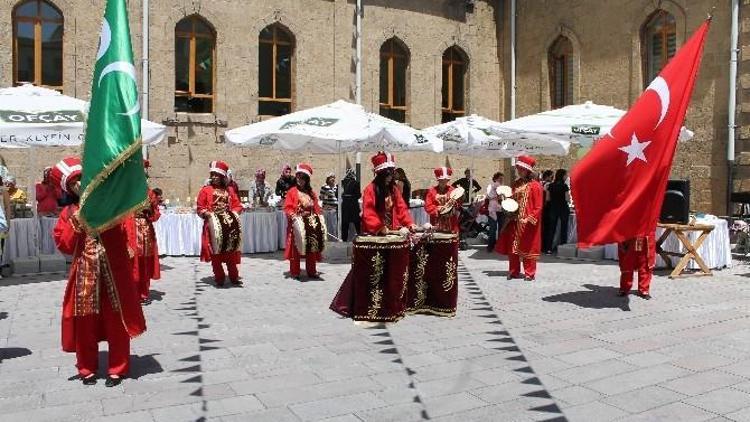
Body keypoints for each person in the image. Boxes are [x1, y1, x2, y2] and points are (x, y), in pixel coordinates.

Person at [50, 156, 146, 387]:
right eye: (74, 183)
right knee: (85, 323)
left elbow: (126, 233)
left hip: (114, 273)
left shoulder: (109, 204)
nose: (79, 184)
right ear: (69, 188)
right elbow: (64, 245)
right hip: (85, 275)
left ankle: (118, 367)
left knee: (116, 320)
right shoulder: (69, 212)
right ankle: (86, 368)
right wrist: (76, 222)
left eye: (82, 179)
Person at [496, 155, 543, 281]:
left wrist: (530, 219)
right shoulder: (515, 184)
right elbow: (511, 201)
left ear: (528, 171)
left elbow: (538, 206)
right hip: (514, 221)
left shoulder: (536, 186)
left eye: (522, 169)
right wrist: (504, 200)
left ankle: (530, 273)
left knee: (528, 247)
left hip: (528, 222)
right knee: (513, 248)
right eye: (518, 169)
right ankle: (513, 271)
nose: (519, 171)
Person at [196, 161, 243, 286]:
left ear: (222, 176)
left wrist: (233, 213)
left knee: (230, 253)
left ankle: (234, 277)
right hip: (213, 226)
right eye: (213, 174)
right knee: (215, 253)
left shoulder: (230, 190)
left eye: (217, 175)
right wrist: (206, 213)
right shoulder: (205, 190)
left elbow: (238, 206)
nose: (214, 177)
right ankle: (219, 278)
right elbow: (200, 208)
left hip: (228, 225)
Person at [284, 163, 323, 279]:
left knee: (311, 247)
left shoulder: (311, 193)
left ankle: (311, 270)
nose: (299, 180)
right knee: (295, 249)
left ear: (306, 180)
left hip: (310, 224)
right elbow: (287, 207)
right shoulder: (292, 192)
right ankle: (295, 271)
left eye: (302, 178)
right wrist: (293, 215)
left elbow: (316, 208)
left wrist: (319, 218)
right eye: (298, 177)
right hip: (297, 223)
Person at [362, 153, 416, 235]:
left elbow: (401, 208)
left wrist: (409, 223)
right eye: (387, 175)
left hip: (393, 230)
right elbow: (369, 212)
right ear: (380, 175)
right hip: (375, 233)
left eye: (391, 174)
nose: (390, 178)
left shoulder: (394, 190)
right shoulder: (370, 190)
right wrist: (379, 227)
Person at [133, 160, 161, 304]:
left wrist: (149, 212)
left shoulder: (150, 193)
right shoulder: (125, 192)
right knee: (130, 261)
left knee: (144, 261)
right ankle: (130, 292)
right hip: (129, 228)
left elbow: (156, 215)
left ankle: (143, 292)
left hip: (145, 230)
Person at [617, 234, 655, 299]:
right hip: (629, 236)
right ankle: (624, 288)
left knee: (645, 265)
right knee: (627, 264)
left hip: (645, 236)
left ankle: (644, 290)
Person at [424, 167, 460, 233]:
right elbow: (427, 206)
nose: (443, 182)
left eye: (445, 180)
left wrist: (454, 205)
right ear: (438, 180)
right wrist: (437, 209)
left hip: (451, 223)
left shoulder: (453, 190)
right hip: (436, 222)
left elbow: (458, 204)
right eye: (441, 180)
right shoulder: (431, 191)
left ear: (447, 180)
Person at [544, 169, 571, 253]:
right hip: (563, 208)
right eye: (566, 175)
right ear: (562, 176)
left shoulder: (550, 186)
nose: (566, 177)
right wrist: (568, 199)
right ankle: (563, 248)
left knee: (552, 229)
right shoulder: (564, 186)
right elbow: (567, 199)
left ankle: (548, 248)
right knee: (563, 229)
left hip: (553, 208)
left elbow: (547, 198)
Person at [485, 171, 505, 251]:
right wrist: (498, 195)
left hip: (500, 209)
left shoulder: (500, 186)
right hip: (493, 209)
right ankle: (491, 246)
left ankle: (498, 245)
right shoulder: (492, 186)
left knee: (500, 228)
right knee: (493, 229)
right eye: (500, 179)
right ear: (496, 179)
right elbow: (489, 196)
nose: (501, 180)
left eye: (502, 179)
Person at [340, 168, 361, 241]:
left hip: (345, 204)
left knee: (345, 224)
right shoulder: (356, 183)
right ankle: (360, 237)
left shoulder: (342, 182)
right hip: (353, 205)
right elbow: (358, 195)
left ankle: (344, 239)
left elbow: (338, 193)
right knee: (357, 222)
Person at [540, 169, 555, 253]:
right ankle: (546, 247)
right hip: (547, 208)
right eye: (551, 176)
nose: (553, 178)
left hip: (543, 208)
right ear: (548, 176)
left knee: (544, 228)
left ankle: (543, 246)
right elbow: (547, 199)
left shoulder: (541, 183)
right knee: (548, 228)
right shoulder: (548, 185)